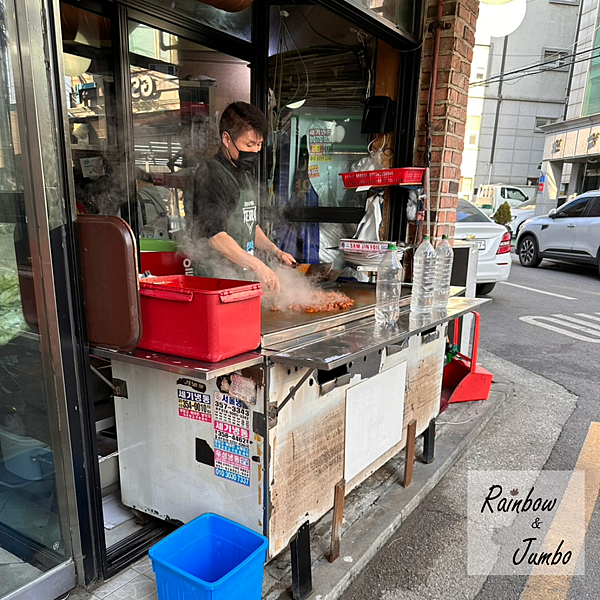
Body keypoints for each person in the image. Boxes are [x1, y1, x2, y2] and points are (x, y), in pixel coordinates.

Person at [192, 102, 295, 291]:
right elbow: (215, 236)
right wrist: (259, 266)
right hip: (215, 283)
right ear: (227, 139)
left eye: (259, 144)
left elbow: (249, 226)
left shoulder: (244, 173)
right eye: (249, 144)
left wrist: (275, 251)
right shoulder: (212, 174)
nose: (255, 151)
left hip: (241, 280)